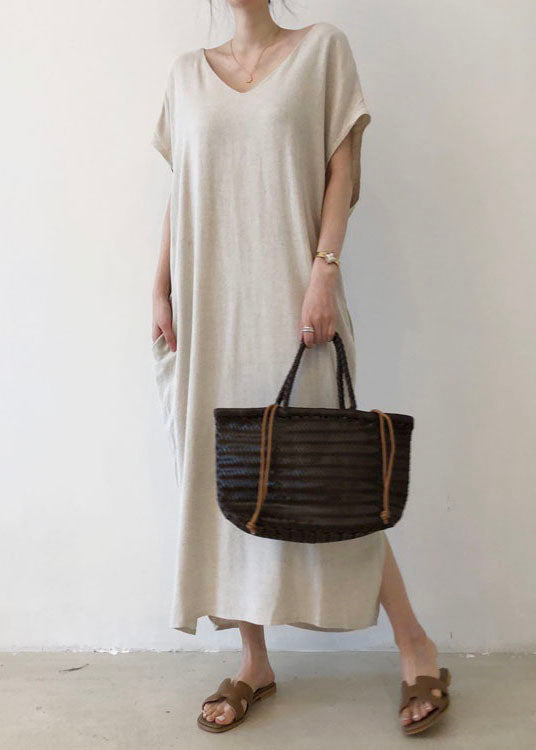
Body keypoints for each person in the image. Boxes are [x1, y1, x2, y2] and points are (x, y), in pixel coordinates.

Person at [150, 0, 452, 736]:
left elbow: (342, 171)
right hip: (209, 303)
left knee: (327, 475)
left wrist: (324, 270)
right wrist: (159, 287)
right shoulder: (186, 75)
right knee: (229, 477)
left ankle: (416, 644)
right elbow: (181, 192)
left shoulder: (322, 50)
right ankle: (253, 661)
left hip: (294, 301)